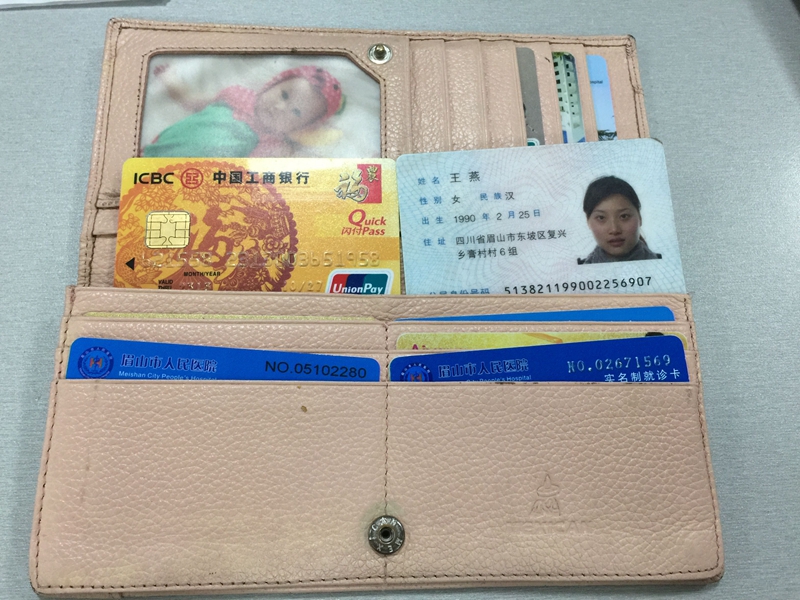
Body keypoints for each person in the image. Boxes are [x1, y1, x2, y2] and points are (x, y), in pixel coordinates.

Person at [143, 64, 343, 158]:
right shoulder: (235, 94)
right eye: (284, 95)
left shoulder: (275, 144)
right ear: (272, 84)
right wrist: (169, 79)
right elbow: (190, 99)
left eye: (297, 113)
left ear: (301, 128)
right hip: (162, 150)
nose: (280, 108)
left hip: (195, 181)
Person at [578, 175, 662, 264]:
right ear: (588, 221)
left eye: (624, 216)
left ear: (640, 217)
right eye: (601, 218)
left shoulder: (667, 264)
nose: (614, 230)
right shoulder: (576, 270)